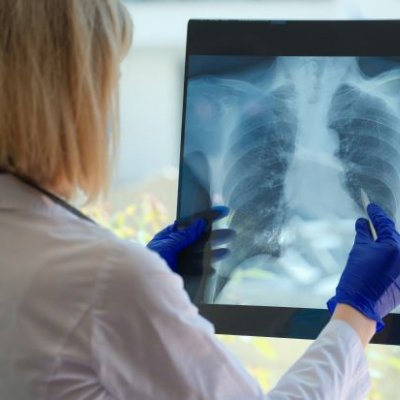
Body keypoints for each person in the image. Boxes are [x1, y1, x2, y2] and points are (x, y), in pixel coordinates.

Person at [0, 1, 400, 399]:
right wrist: (357, 315)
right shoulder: (106, 281)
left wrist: (139, 287)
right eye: (111, 79)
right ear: (73, 97)